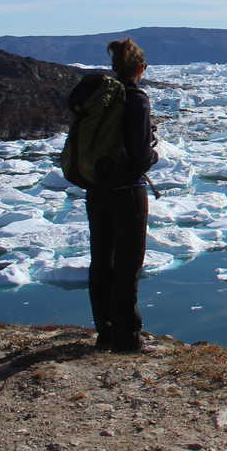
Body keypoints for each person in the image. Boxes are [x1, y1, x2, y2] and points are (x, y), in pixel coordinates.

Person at [86, 37, 159, 353]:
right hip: (128, 190)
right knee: (128, 262)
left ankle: (105, 329)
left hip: (96, 188)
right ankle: (128, 336)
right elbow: (141, 155)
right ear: (141, 68)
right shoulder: (136, 99)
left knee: (102, 258)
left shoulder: (101, 97)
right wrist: (154, 156)